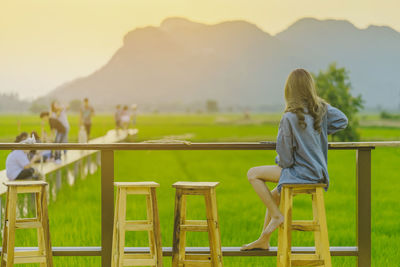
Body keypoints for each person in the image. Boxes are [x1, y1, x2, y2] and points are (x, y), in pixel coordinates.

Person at [241, 69, 348, 251]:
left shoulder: (289, 117)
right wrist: (315, 133)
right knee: (274, 195)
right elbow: (342, 120)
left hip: (299, 172)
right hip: (319, 174)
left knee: (253, 174)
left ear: (289, 90)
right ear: (310, 88)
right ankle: (264, 239)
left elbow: (285, 159)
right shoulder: (320, 111)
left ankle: (276, 216)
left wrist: (305, 138)